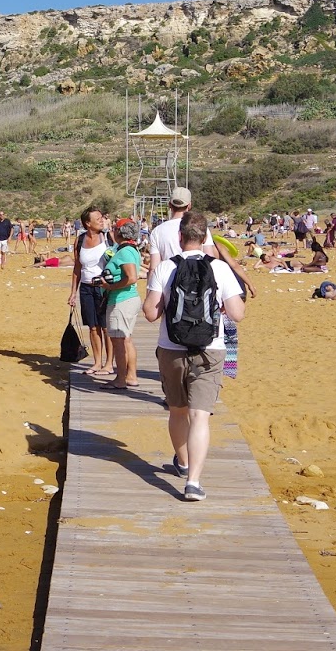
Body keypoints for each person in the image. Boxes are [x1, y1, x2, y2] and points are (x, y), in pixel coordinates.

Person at [143, 212, 246, 503]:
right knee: (200, 416)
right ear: (205, 238)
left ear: (179, 237)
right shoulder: (220, 269)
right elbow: (237, 313)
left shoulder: (166, 267)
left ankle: (183, 461)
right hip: (210, 349)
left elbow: (151, 314)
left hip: (171, 347)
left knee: (177, 411)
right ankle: (193, 482)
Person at [68, 208, 112, 374]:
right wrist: (73, 292)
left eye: (102, 218)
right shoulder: (80, 240)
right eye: (98, 219)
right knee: (93, 327)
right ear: (88, 223)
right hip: (86, 287)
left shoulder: (107, 237)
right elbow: (77, 268)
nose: (102, 220)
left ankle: (109, 364)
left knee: (106, 327)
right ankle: (97, 362)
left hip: (104, 287)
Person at [102, 219, 143, 389]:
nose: (112, 231)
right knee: (126, 339)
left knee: (118, 341)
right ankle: (131, 376)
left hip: (121, 299)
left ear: (120, 232)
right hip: (128, 298)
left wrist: (110, 286)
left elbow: (132, 277)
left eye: (114, 229)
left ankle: (120, 379)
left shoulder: (125, 251)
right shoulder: (132, 249)